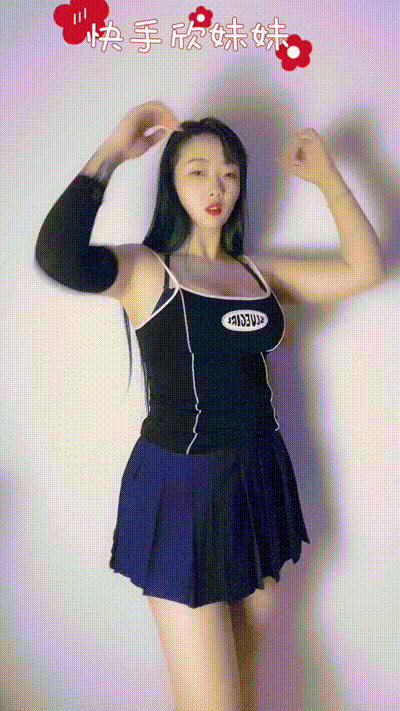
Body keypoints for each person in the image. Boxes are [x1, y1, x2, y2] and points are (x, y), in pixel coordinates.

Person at [34, 101, 386, 711]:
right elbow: (58, 257)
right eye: (197, 171)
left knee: (246, 686)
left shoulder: (259, 271)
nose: (215, 186)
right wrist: (112, 152)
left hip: (259, 478)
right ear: (171, 182)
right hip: (180, 491)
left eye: (229, 173)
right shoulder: (147, 270)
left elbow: (366, 269)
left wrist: (330, 179)